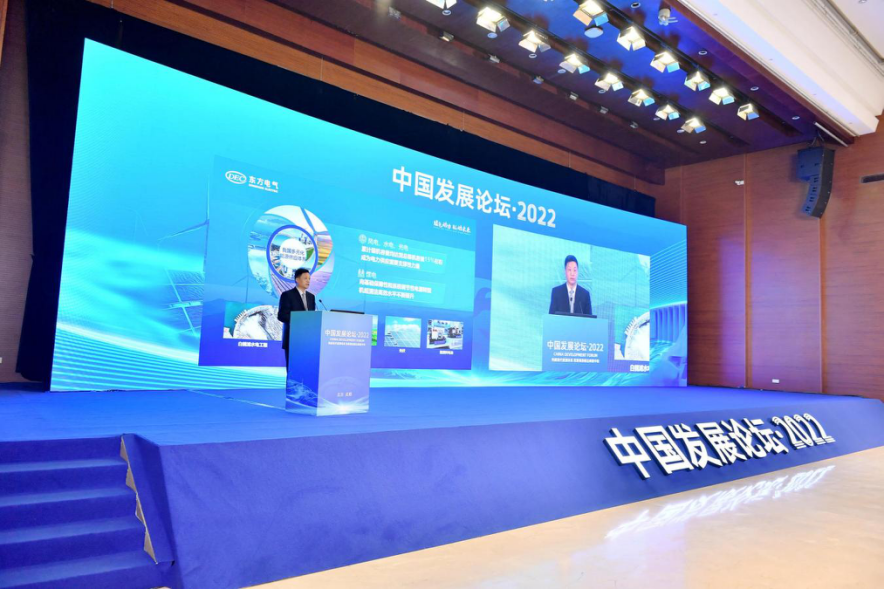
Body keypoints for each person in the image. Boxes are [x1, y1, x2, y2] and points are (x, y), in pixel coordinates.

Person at [277, 267, 316, 367]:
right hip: (292, 338)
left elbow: (312, 316)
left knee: (305, 368)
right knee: (293, 368)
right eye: (305, 278)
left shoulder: (311, 297)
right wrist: (299, 320)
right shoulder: (287, 295)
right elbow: (281, 316)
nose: (308, 281)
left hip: (307, 340)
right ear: (297, 279)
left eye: (309, 278)